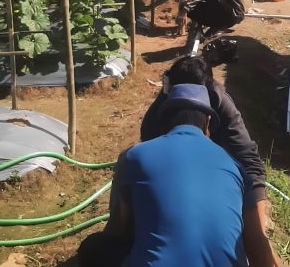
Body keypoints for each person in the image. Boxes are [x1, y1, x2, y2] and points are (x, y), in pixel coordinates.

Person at [79, 84, 278, 266]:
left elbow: (118, 229)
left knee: (94, 248)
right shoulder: (235, 167)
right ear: (207, 124)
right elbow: (257, 242)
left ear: (164, 121)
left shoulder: (134, 156)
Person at [141, 56, 270, 231]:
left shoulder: (221, 104)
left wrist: (258, 231)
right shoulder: (159, 111)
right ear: (169, 90)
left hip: (216, 179)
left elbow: (250, 163)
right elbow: (148, 159)